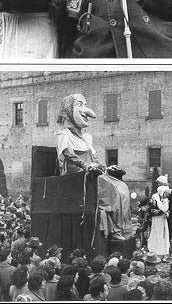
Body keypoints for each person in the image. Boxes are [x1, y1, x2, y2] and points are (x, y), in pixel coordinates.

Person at [55, 93, 133, 240]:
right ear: (68, 111)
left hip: (92, 174)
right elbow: (68, 154)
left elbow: (95, 159)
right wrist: (86, 166)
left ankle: (122, 227)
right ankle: (114, 230)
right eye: (79, 104)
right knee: (113, 191)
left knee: (122, 187)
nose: (85, 109)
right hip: (76, 178)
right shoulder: (64, 134)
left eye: (85, 104)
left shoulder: (86, 137)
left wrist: (105, 168)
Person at [147, 185, 170, 261]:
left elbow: (166, 209)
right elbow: (151, 210)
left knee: (163, 234)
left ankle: (163, 251)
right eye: (165, 193)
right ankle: (155, 251)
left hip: (163, 219)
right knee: (156, 233)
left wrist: (166, 213)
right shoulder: (154, 198)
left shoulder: (165, 199)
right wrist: (161, 212)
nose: (166, 195)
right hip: (156, 219)